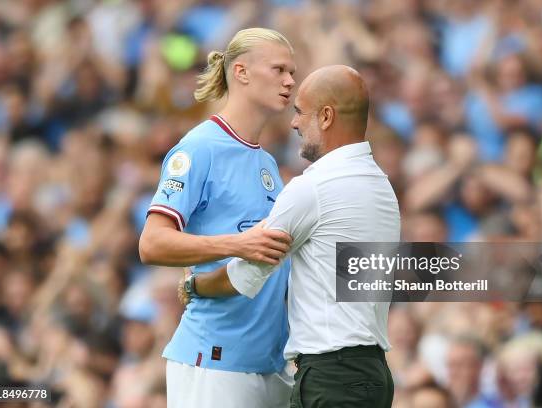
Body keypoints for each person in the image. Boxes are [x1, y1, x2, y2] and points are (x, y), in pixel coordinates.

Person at [189, 65, 401, 408]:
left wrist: (192, 286)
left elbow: (245, 276)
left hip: (332, 376)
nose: (294, 123)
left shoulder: (313, 188)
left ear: (327, 117)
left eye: (300, 112)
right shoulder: (381, 185)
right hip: (369, 373)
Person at [138, 28, 297, 408]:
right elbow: (151, 243)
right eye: (279, 70)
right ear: (241, 72)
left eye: (292, 71)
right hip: (215, 360)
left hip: (268, 364)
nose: (290, 81)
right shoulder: (199, 147)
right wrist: (236, 245)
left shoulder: (267, 162)